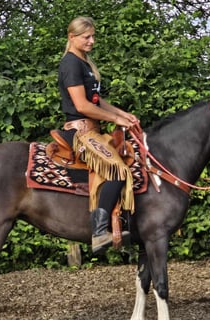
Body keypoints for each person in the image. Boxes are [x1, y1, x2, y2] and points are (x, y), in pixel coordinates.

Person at [58, 16, 139, 255]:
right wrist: (115, 119)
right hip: (81, 131)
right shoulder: (71, 63)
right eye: (87, 37)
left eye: (93, 36)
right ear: (72, 37)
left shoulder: (84, 62)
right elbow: (82, 105)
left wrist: (124, 114)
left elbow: (96, 100)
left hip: (94, 129)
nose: (92, 41)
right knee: (118, 169)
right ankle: (99, 232)